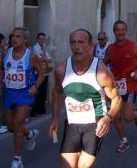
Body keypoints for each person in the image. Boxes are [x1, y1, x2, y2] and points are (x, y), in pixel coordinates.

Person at [48, 29, 122, 168]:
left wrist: (108, 118)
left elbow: (117, 99)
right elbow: (57, 93)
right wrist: (55, 118)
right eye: (73, 42)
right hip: (72, 124)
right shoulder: (61, 70)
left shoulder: (102, 72)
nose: (76, 46)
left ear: (91, 45)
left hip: (95, 125)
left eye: (81, 42)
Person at [0, 27, 45, 168]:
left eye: (18, 36)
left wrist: (35, 86)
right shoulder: (6, 53)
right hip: (8, 93)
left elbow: (41, 73)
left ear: (25, 40)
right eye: (12, 36)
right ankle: (29, 134)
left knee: (17, 124)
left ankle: (17, 160)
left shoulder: (31, 56)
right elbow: (1, 69)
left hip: (24, 94)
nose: (14, 39)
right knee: (10, 126)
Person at [103, 20, 137, 153]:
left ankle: (135, 114)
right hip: (116, 87)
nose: (120, 32)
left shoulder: (134, 46)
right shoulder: (110, 49)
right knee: (115, 117)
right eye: (118, 30)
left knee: (127, 118)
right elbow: (103, 63)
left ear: (126, 31)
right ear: (114, 31)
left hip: (131, 85)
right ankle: (124, 140)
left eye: (123, 29)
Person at [31, 32, 52, 117]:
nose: (41, 40)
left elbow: (49, 59)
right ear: (37, 39)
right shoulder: (35, 48)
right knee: (37, 92)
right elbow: (42, 59)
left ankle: (41, 110)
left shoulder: (44, 48)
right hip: (38, 74)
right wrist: (43, 50)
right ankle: (34, 111)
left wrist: (45, 59)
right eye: (40, 38)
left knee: (43, 92)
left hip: (45, 73)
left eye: (43, 39)